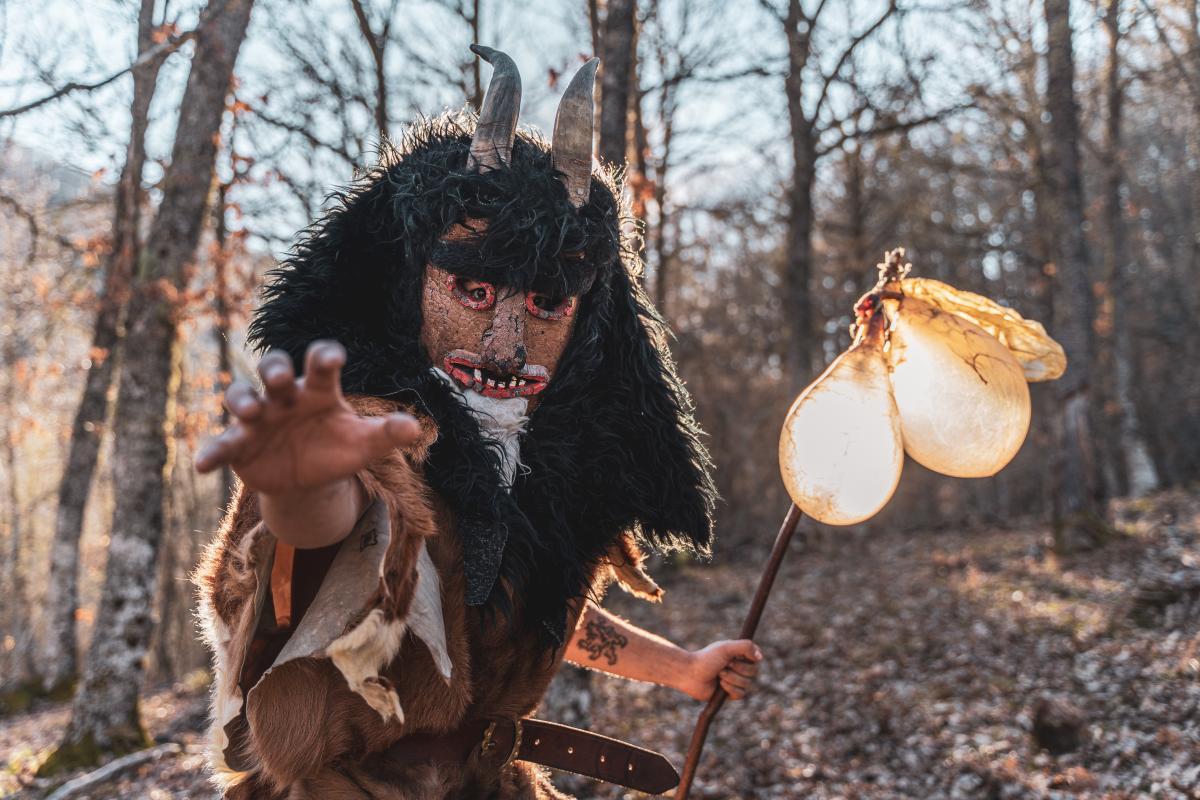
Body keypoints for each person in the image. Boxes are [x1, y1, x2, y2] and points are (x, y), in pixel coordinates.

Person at [195, 45, 761, 800]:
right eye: (472, 289)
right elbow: (333, 551)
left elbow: (528, 612)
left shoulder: (544, 464)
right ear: (409, 285)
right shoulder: (360, 435)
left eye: (547, 305)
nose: (508, 345)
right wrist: (303, 490)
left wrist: (683, 669)